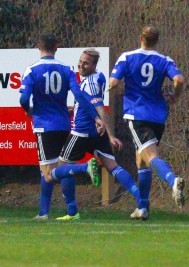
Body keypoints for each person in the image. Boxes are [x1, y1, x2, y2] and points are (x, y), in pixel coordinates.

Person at [19, 33, 104, 220]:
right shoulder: (66, 70)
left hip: (44, 125)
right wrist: (95, 117)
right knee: (63, 168)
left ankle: (85, 168)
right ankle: (71, 211)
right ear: (56, 47)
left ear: (38, 47)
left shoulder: (32, 70)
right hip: (64, 124)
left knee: (48, 174)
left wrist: (28, 110)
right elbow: (79, 95)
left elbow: (24, 98)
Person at [50, 48, 141, 220]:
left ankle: (72, 212)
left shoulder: (90, 82)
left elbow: (99, 108)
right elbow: (90, 104)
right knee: (113, 167)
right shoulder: (97, 78)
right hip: (95, 133)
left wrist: (111, 134)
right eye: (80, 61)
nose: (81, 65)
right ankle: (141, 201)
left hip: (82, 132)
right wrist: (75, 108)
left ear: (93, 66)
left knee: (60, 169)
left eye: (86, 63)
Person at [109, 25, 185, 220]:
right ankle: (142, 207)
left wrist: (113, 90)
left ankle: (173, 180)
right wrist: (175, 96)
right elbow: (179, 80)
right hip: (158, 115)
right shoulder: (164, 60)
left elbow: (114, 83)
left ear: (140, 37)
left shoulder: (127, 57)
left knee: (150, 156)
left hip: (137, 114)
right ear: (157, 40)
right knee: (140, 160)